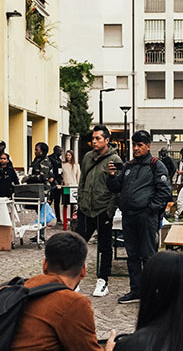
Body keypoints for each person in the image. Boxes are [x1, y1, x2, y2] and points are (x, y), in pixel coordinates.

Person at [107, 130, 171, 304]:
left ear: (148, 145)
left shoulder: (156, 165)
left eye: (139, 145)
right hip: (129, 217)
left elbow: (165, 191)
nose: (136, 148)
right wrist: (111, 176)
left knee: (148, 255)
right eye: (134, 145)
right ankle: (136, 290)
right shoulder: (129, 165)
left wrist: (150, 209)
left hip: (145, 217)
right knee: (132, 255)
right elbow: (116, 188)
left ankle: (152, 291)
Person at [76, 126, 124, 299]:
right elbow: (82, 181)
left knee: (105, 247)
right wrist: (80, 202)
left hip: (103, 210)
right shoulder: (88, 157)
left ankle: (103, 280)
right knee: (78, 245)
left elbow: (117, 188)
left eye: (98, 138)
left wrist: (110, 210)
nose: (94, 141)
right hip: (86, 209)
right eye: (93, 138)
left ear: (107, 140)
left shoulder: (115, 159)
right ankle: (74, 279)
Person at [62, 149, 81, 221]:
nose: (68, 157)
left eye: (69, 155)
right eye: (67, 155)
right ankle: (65, 219)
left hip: (74, 186)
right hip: (66, 186)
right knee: (65, 204)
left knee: (74, 205)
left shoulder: (76, 165)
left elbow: (78, 176)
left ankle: (74, 218)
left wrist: (78, 186)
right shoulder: (63, 165)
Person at [48, 145, 64, 225]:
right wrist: (52, 179)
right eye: (60, 151)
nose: (61, 153)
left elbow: (60, 171)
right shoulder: (50, 158)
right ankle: (46, 218)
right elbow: (49, 170)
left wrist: (61, 179)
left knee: (57, 201)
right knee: (49, 202)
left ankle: (58, 218)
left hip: (58, 182)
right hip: (51, 182)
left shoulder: (59, 160)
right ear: (55, 150)